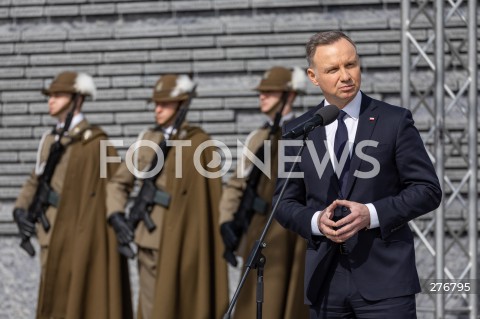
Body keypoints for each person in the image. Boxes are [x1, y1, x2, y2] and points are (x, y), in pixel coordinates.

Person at [273, 31, 442, 318]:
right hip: (325, 283)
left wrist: (371, 214)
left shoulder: (394, 120)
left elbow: (427, 189)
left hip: (386, 282)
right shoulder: (298, 131)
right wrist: (316, 221)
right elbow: (284, 203)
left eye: (350, 64)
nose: (345, 75)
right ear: (313, 77)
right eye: (333, 69)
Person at [106, 74, 229, 319]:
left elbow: (210, 197)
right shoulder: (147, 140)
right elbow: (119, 182)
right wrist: (116, 214)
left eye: (165, 104)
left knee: (184, 304)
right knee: (154, 309)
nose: (158, 109)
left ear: (182, 105)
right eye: (155, 104)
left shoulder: (200, 143)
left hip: (186, 240)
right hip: (151, 238)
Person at [13, 71, 133, 319]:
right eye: (50, 95)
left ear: (77, 99)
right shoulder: (50, 139)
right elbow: (35, 178)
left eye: (58, 95)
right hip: (51, 230)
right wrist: (20, 209)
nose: (51, 100)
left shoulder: (98, 142)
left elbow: (113, 187)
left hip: (80, 234)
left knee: (80, 297)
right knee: (53, 295)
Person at [219, 66, 309, 318]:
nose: (262, 97)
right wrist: (226, 220)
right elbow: (238, 183)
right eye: (262, 92)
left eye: (270, 92)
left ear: (289, 96)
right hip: (258, 229)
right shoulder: (257, 137)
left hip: (288, 234)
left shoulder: (305, 133)